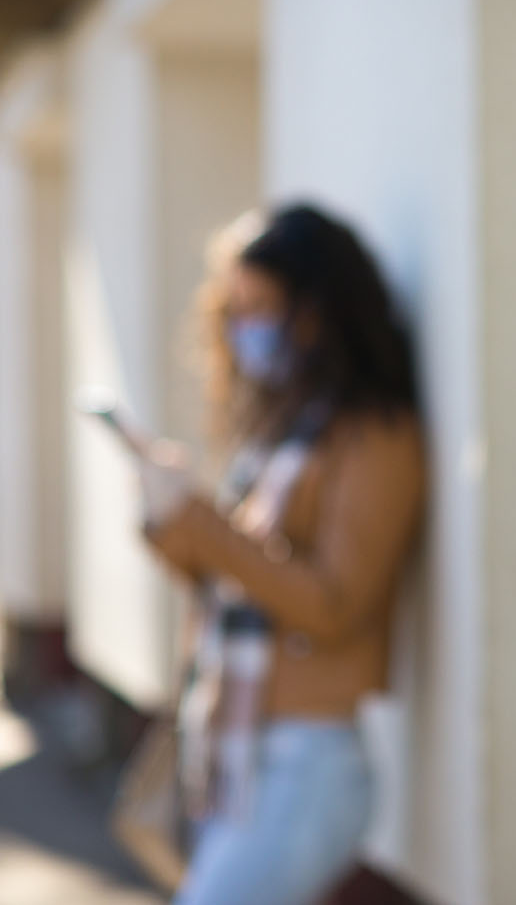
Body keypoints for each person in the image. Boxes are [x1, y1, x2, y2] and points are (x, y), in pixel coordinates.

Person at [138, 203, 426, 904]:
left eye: (261, 305)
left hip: (308, 762)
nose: (244, 328)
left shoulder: (377, 436)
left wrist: (206, 526)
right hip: (236, 748)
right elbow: (231, 581)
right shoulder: (284, 424)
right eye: (235, 307)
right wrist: (163, 515)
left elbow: (332, 608)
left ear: (319, 308)